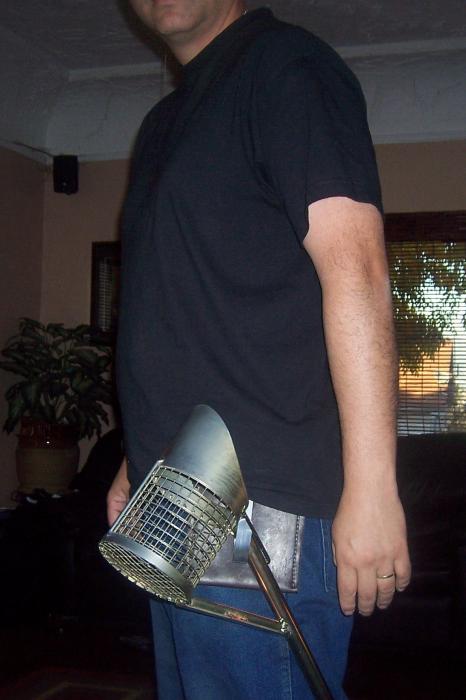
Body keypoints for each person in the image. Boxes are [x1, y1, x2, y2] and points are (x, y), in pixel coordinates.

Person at [107, 1, 411, 698]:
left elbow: (357, 270)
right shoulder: (162, 123)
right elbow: (180, 304)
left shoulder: (286, 66)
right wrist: (137, 456)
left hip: (258, 505)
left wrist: (372, 487)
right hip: (170, 499)